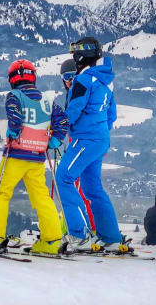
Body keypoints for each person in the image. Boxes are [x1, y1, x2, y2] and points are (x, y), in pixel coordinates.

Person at [0, 60, 68, 255]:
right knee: (42, 197)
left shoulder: (15, 96)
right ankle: (52, 241)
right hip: (37, 157)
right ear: (33, 77)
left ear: (12, 79)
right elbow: (62, 120)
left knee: (0, 194)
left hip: (16, 155)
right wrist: (54, 141)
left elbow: (15, 118)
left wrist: (13, 131)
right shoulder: (47, 100)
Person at [55, 37, 128, 253]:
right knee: (91, 187)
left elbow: (74, 110)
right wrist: (99, 135)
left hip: (86, 139)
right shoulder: (104, 81)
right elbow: (111, 115)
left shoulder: (83, 80)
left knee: (63, 177)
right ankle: (111, 238)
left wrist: (59, 126)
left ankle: (80, 235)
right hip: (99, 139)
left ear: (81, 56)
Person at [59, 58, 96, 233]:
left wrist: (58, 127)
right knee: (86, 187)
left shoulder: (79, 91)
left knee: (74, 185)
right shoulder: (73, 93)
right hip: (83, 143)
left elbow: (73, 117)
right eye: (67, 77)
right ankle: (89, 229)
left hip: (82, 143)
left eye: (73, 76)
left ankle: (84, 231)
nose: (70, 81)